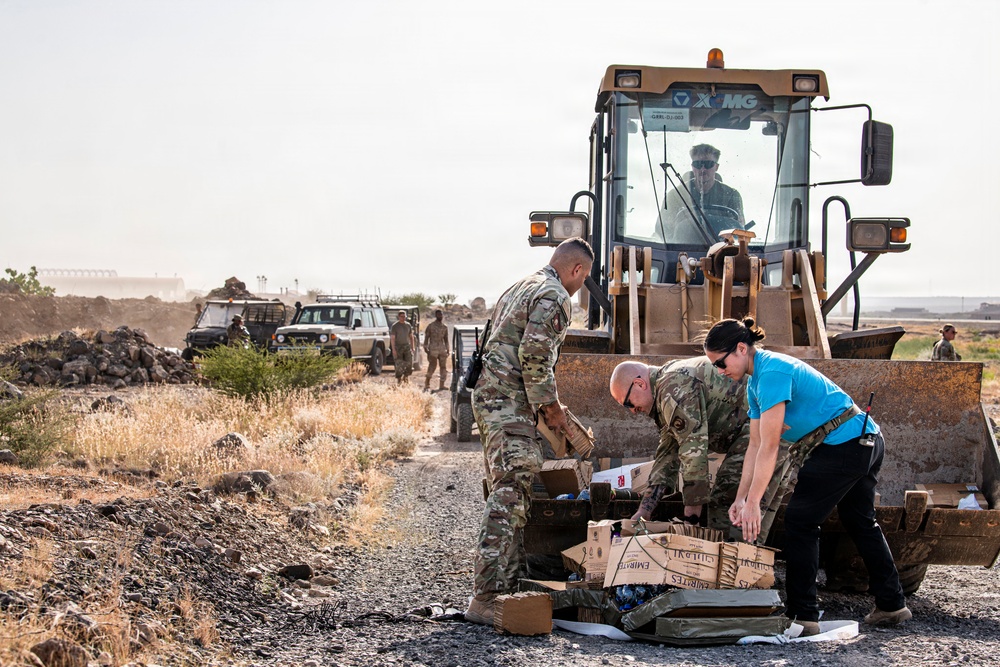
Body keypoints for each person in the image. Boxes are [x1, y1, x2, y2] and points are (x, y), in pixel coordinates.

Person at [703, 317, 911, 635]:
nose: (719, 371)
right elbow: (754, 445)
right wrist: (741, 498)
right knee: (860, 521)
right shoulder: (756, 382)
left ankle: (803, 616)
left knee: (800, 522)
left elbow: (771, 446)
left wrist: (755, 503)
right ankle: (892, 605)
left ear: (741, 349)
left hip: (845, 445)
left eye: (720, 362)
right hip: (864, 441)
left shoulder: (772, 371)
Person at [465, 237, 594, 626]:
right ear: (576, 270)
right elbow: (535, 358)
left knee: (511, 488)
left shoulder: (520, 286)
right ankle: (487, 595)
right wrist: (552, 410)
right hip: (508, 404)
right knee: (510, 491)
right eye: (583, 279)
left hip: (492, 399)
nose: (579, 286)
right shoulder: (555, 296)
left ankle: (506, 587)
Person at [609, 357, 753, 533]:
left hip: (763, 425)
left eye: (628, 403)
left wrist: (691, 515)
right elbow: (667, 454)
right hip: (754, 428)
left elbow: (693, 450)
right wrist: (644, 510)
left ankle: (737, 556)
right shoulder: (664, 391)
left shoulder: (671, 388)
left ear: (639, 383)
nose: (632, 411)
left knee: (726, 502)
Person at [664, 144, 744, 242]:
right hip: (680, 253)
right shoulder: (675, 195)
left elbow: (739, 232)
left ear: (716, 167)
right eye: (698, 164)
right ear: (692, 167)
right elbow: (664, 233)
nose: (702, 170)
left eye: (708, 164)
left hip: (722, 254)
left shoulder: (731, 195)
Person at [423, 309, 450, 391]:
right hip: (433, 349)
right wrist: (425, 347)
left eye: (441, 315)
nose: (440, 316)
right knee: (432, 366)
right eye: (439, 315)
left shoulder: (444, 327)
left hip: (442, 349)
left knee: (443, 367)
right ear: (436, 315)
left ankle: (442, 385)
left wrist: (448, 349)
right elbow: (426, 337)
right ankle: (427, 383)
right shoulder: (430, 326)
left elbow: (446, 339)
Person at [390, 310, 415, 384]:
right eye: (402, 316)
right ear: (398, 317)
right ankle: (399, 380)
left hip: (407, 346)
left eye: (404, 316)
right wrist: (394, 349)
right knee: (399, 364)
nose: (403, 318)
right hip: (398, 347)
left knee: (409, 363)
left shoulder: (408, 325)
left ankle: (406, 377)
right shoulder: (395, 326)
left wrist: (412, 347)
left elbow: (411, 337)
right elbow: (393, 338)